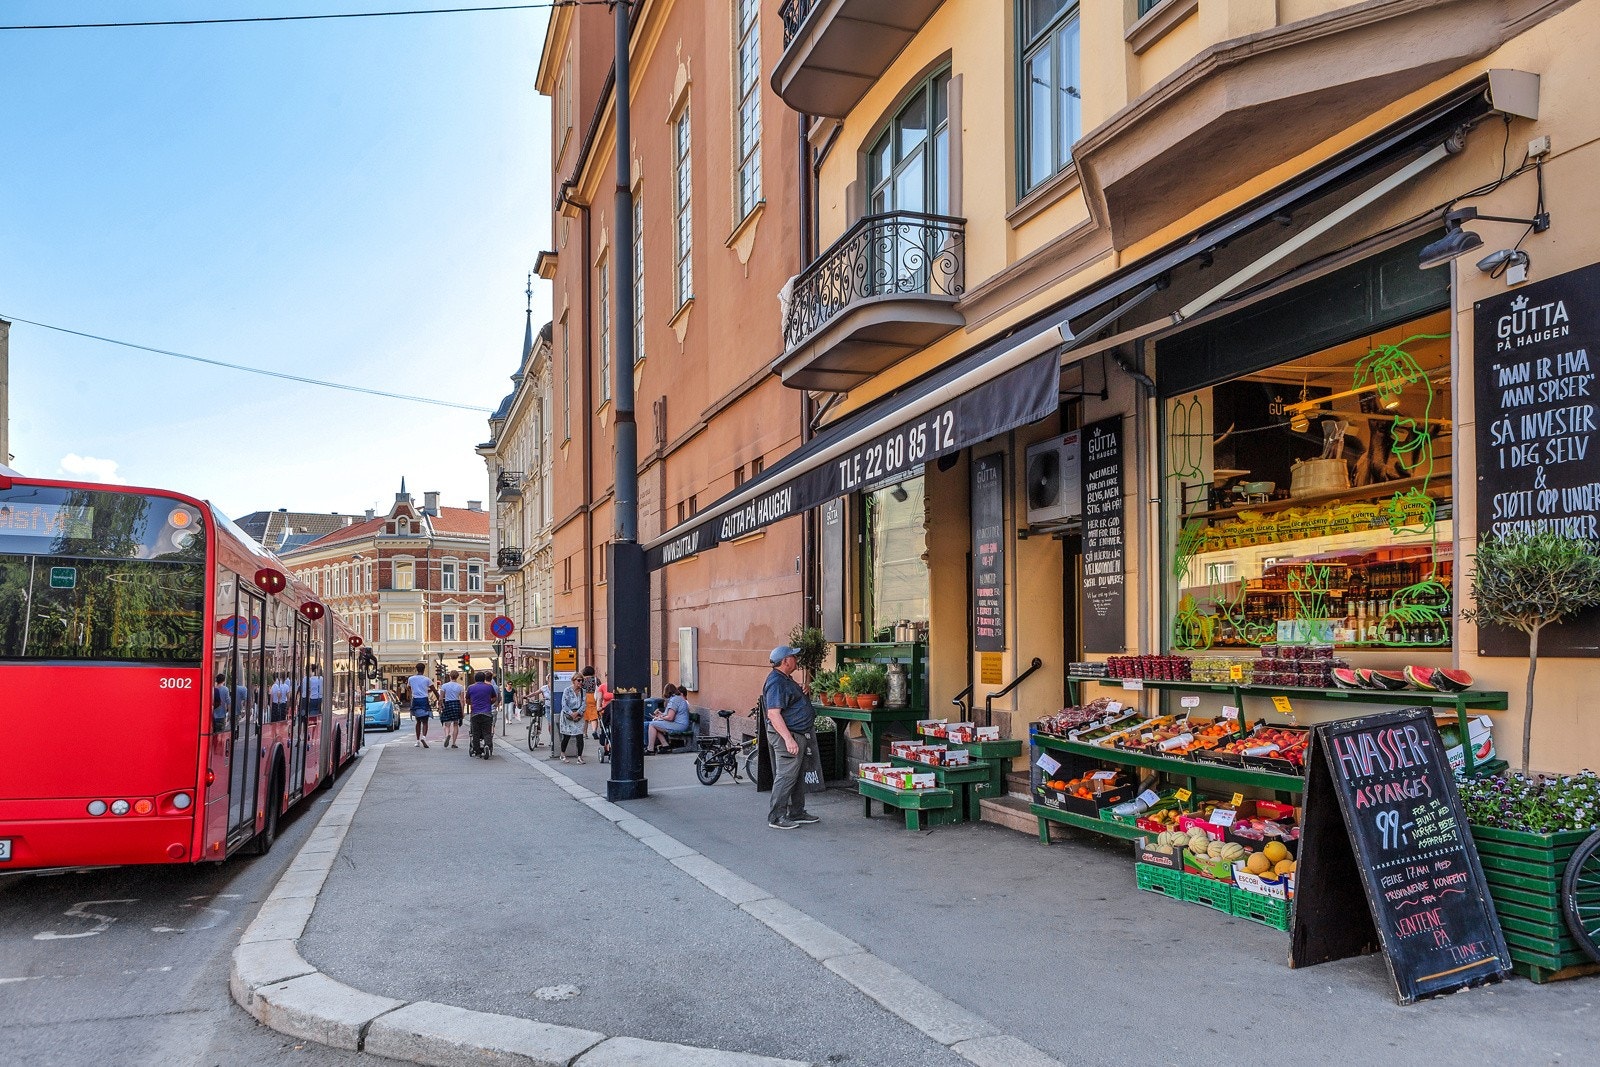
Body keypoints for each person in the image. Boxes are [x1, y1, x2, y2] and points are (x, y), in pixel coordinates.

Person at [764, 645, 818, 830]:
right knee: (786, 776)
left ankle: (796, 812)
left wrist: (803, 689)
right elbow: (773, 714)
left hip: (796, 733)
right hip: (788, 734)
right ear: (785, 661)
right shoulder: (776, 682)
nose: (796, 659)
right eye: (793, 657)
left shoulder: (785, 679)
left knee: (796, 775)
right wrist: (788, 739)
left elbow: (790, 701)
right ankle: (776, 817)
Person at [647, 683, 693, 753]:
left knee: (652, 725)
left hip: (679, 725)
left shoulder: (674, 700)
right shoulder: (678, 698)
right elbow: (670, 715)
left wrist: (661, 717)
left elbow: (670, 717)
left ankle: (650, 749)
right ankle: (665, 746)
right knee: (656, 724)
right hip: (681, 724)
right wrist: (660, 716)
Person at [467, 670, 498, 757]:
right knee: (487, 732)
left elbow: (467, 700)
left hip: (475, 713)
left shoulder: (470, 688)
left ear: (475, 679)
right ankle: (487, 745)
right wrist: (489, 703)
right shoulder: (489, 687)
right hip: (487, 713)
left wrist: (472, 704)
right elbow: (494, 698)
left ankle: (477, 750)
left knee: (475, 732)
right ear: (484, 678)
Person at [406, 662, 436, 748]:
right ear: (424, 670)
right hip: (424, 700)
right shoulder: (427, 680)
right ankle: (424, 737)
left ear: (416, 669)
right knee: (425, 721)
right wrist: (440, 700)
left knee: (418, 721)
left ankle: (417, 741)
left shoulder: (411, 679)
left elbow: (409, 688)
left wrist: (413, 691)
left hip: (415, 700)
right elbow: (434, 690)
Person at [558, 674, 587, 763]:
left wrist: (577, 713)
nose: (580, 682)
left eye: (582, 680)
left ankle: (579, 757)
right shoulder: (567, 690)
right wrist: (571, 713)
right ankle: (562, 754)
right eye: (578, 680)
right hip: (567, 715)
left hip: (579, 715)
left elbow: (584, 704)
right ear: (573, 681)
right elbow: (564, 704)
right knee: (567, 736)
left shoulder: (583, 691)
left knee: (580, 736)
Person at [438, 670, 466, 748]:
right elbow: (462, 700)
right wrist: (462, 711)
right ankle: (454, 743)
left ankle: (447, 735)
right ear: (457, 677)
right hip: (456, 704)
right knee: (456, 724)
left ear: (450, 676)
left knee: (447, 724)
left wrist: (440, 706)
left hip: (448, 704)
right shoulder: (460, 687)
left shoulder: (444, 686)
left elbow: (440, 698)